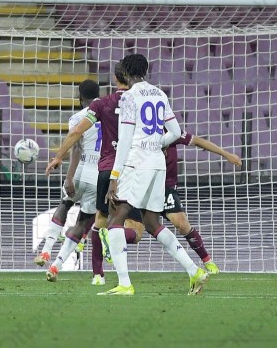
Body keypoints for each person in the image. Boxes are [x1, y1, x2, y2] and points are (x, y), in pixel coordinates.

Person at [99, 53, 209, 296]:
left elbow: (125, 139)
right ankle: (194, 271)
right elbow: (176, 131)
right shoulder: (159, 94)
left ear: (125, 73)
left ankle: (124, 284)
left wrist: (114, 176)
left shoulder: (129, 97)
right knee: (151, 223)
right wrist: (157, 143)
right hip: (158, 163)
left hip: (137, 163)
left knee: (115, 219)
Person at [46, 61, 145, 286]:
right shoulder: (139, 102)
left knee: (99, 220)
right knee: (138, 229)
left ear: (115, 79)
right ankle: (113, 241)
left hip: (104, 169)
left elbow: (76, 133)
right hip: (130, 169)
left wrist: (59, 156)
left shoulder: (101, 104)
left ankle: (98, 276)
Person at [37, 79, 101, 282]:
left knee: (65, 203)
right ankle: (56, 266)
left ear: (80, 97)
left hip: (82, 169)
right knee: (83, 222)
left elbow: (76, 148)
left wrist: (69, 177)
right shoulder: (109, 114)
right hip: (100, 175)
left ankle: (46, 250)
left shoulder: (78, 118)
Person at [163, 129, 242, 274]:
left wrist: (227, 154)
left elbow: (198, 141)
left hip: (165, 188)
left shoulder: (170, 130)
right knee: (136, 232)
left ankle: (207, 261)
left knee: (182, 224)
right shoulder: (139, 133)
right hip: (144, 186)